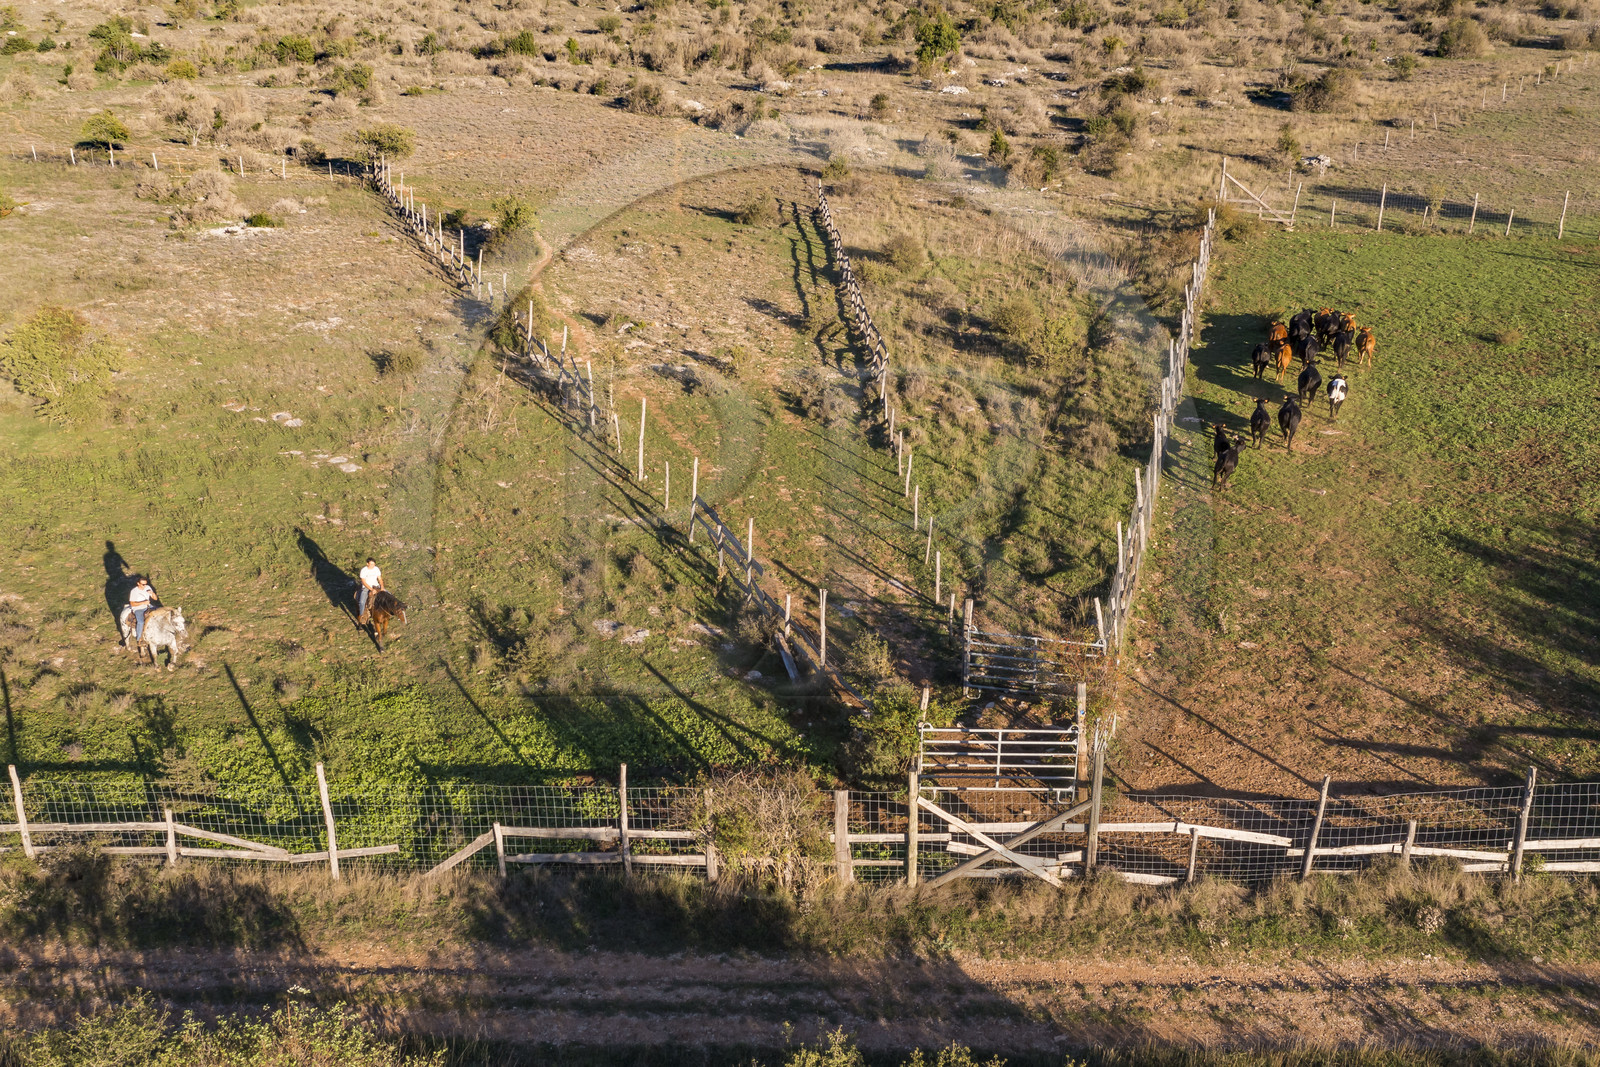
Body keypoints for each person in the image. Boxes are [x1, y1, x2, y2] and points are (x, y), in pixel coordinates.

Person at [127, 577, 158, 645]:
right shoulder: (134, 591)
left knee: (159, 612)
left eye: (145, 584)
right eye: (143, 584)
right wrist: (143, 602)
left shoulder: (148, 587)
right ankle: (139, 639)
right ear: (138, 583)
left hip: (148, 606)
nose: (145, 586)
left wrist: (152, 593)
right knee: (140, 622)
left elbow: (155, 599)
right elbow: (132, 603)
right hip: (138, 608)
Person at [357, 558, 384, 623]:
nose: (373, 566)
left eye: (374, 564)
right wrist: (371, 589)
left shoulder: (376, 569)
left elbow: (380, 579)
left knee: (389, 595)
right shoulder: (364, 570)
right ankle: (361, 615)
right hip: (366, 587)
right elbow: (363, 582)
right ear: (367, 564)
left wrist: (382, 586)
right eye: (371, 564)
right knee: (362, 602)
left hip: (376, 585)